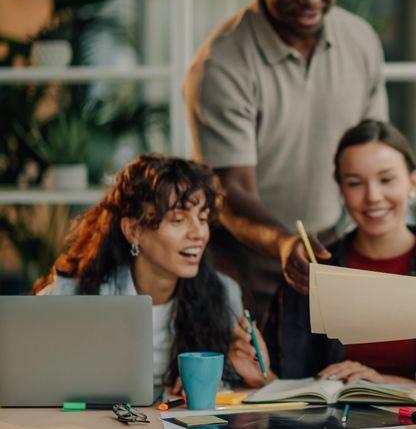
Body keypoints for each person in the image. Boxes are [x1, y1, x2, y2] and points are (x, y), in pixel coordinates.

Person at [183, 0, 388, 325]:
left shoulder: (361, 40)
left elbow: (374, 153)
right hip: (250, 256)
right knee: (258, 382)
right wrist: (284, 243)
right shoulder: (222, 63)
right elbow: (231, 190)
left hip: (334, 247)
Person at [34, 154, 272, 392]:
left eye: (202, 218)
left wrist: (256, 378)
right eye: (178, 220)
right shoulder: (72, 295)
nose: (198, 233)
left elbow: (263, 390)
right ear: (133, 231)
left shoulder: (223, 292)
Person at [267, 119, 416, 383]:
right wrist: (258, 374)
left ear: (413, 182)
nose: (373, 196)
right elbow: (284, 378)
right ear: (341, 189)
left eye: (386, 179)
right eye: (355, 183)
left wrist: (380, 381)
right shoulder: (307, 275)